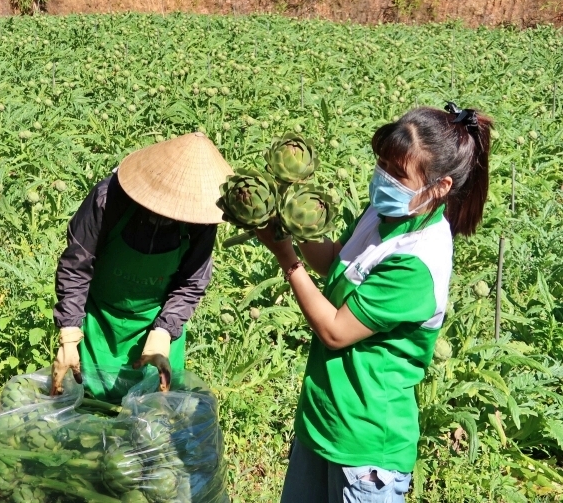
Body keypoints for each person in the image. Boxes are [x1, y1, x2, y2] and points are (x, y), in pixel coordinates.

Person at [256, 103, 491, 503]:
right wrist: (293, 219)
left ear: (440, 187)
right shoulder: (384, 212)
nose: (383, 178)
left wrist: (286, 257)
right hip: (324, 420)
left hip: (365, 446)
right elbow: (335, 261)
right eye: (382, 164)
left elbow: (335, 331)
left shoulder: (418, 261)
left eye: (398, 174)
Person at [50, 132, 233, 401]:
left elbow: (192, 282)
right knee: (86, 405)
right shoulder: (109, 199)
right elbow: (76, 265)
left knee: (154, 410)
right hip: (99, 321)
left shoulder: (200, 218)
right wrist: (68, 333)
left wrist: (164, 331)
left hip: (156, 320)